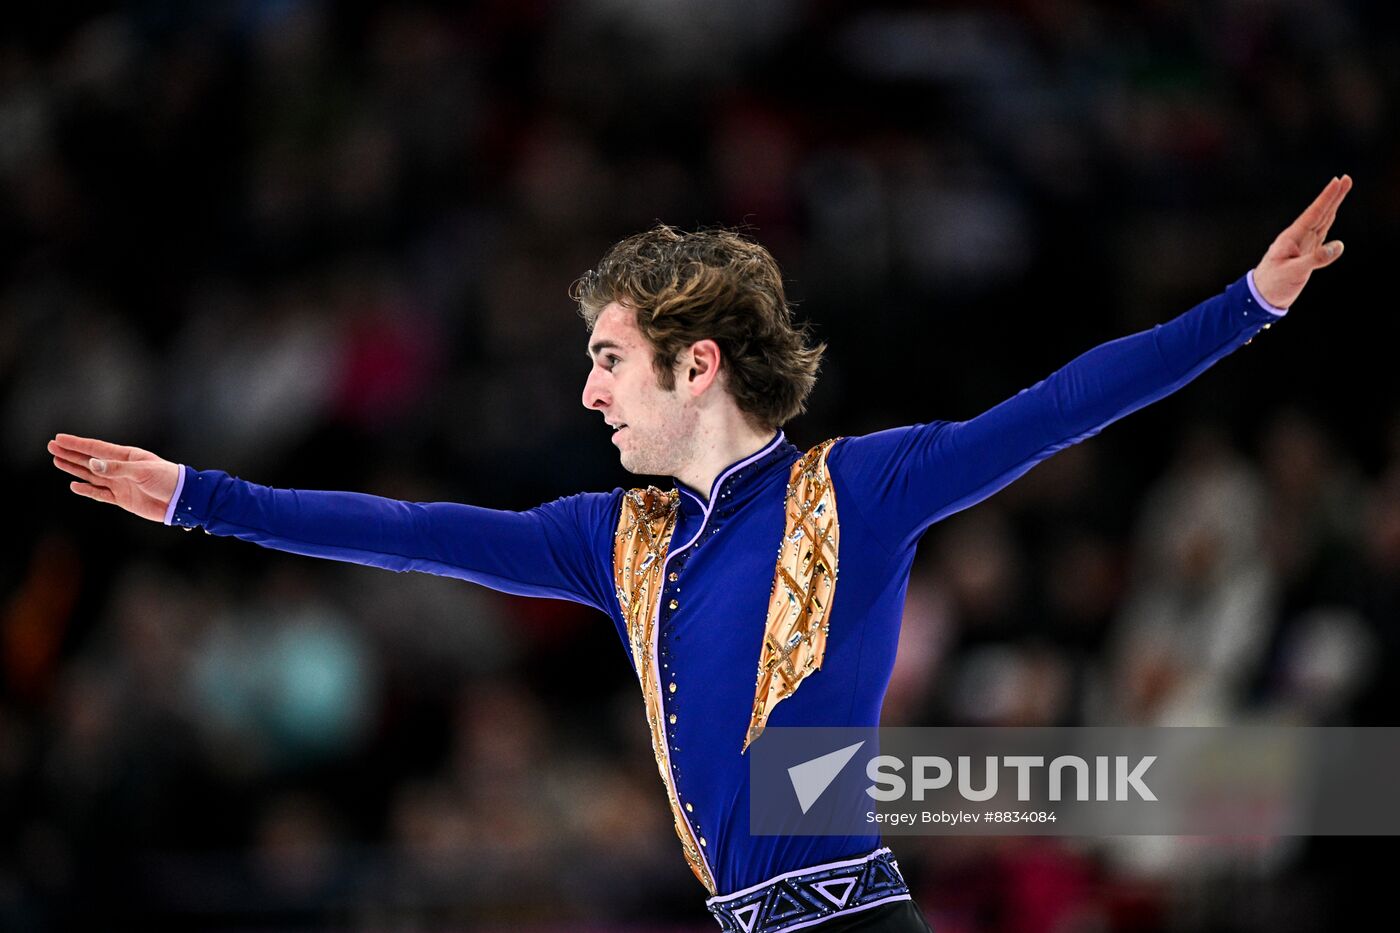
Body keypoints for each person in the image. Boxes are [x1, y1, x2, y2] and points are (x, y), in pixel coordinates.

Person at [49, 176, 1351, 932]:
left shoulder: (856, 491)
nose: (589, 393)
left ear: (697, 366)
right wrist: (198, 499)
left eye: (609, 360)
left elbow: (1057, 407)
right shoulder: (615, 542)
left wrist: (1247, 305)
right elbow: (409, 534)